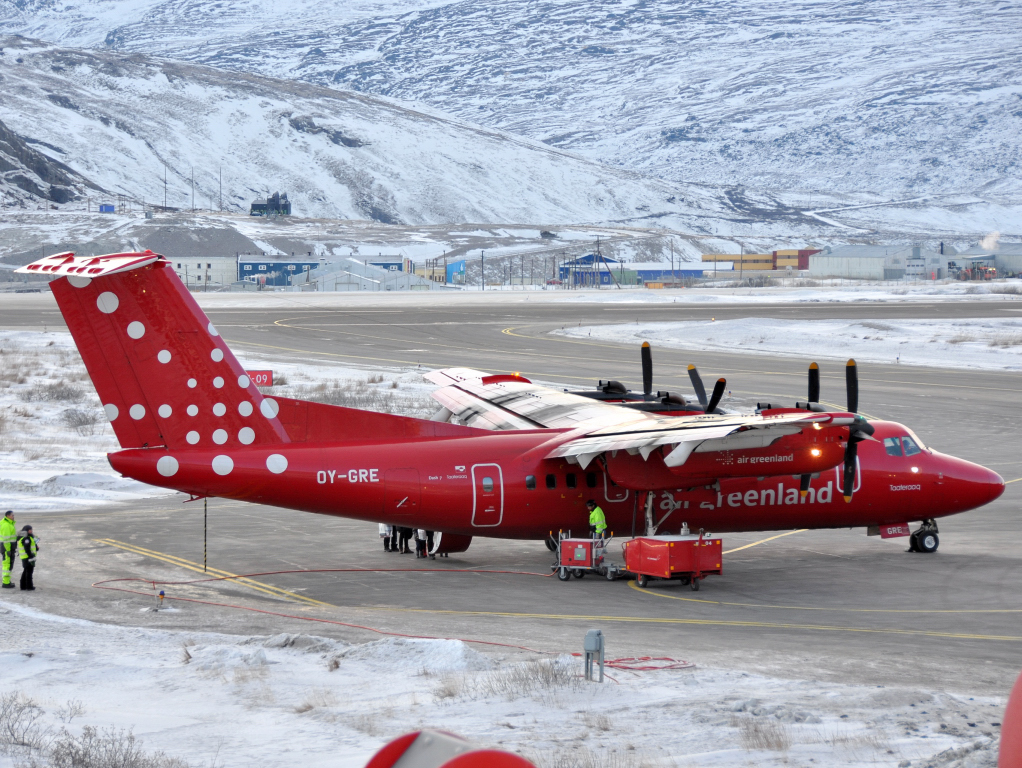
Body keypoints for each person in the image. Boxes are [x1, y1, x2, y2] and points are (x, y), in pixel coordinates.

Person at [18, 525, 37, 591]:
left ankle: (23, 586)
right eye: (29, 530)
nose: (31, 531)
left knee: (26, 571)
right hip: (28, 557)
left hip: (26, 557)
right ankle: (29, 586)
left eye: (31, 529)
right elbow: (27, 548)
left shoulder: (26, 537)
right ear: (26, 530)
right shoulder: (26, 538)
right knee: (29, 572)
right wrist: (31, 556)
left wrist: (36, 548)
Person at [1, 511, 16, 589]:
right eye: (12, 515)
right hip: (7, 548)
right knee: (7, 564)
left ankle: (7, 581)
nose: (13, 516)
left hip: (9, 547)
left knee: (9, 564)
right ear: (8, 516)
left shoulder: (9, 523)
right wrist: (8, 550)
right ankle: (6, 583)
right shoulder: (6, 525)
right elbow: (6, 540)